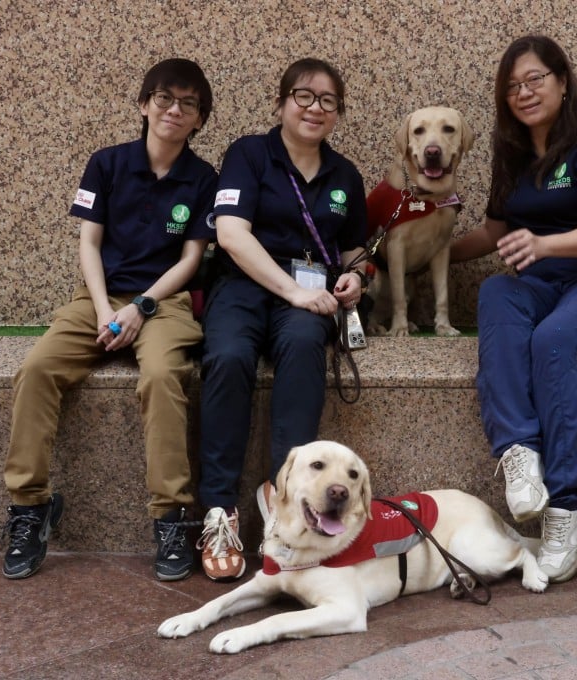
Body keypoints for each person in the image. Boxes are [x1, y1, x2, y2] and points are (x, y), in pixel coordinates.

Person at [1, 58, 217, 581]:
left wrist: (139, 308)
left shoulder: (204, 177)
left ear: (199, 120)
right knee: (36, 369)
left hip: (163, 302)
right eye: (164, 98)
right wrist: (103, 310)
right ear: (144, 105)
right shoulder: (107, 163)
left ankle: (170, 518)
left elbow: (190, 261)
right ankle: (30, 508)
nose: (174, 110)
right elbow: (89, 242)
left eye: (188, 104)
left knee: (164, 377)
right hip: (96, 298)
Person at [451, 36, 577, 583]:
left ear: (564, 82)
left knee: (553, 340)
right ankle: (518, 451)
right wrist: (419, 252)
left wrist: (542, 244)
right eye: (513, 86)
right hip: (540, 285)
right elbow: (493, 232)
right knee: (495, 292)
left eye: (536, 79)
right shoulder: (511, 155)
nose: (524, 92)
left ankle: (565, 508)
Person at [195, 58, 367, 582]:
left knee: (302, 350)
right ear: (281, 103)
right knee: (225, 356)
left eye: (328, 101)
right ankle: (219, 512)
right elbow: (231, 234)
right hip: (245, 287)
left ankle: (286, 508)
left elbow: (356, 248)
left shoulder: (345, 175)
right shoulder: (249, 154)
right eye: (304, 96)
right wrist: (291, 289)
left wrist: (357, 278)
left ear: (338, 113)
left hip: (310, 299)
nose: (315, 108)